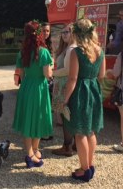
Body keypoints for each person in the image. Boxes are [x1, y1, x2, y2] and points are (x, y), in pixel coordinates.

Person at [62, 18, 105, 182]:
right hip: (94, 90)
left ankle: (84, 169)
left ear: (77, 34)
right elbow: (102, 75)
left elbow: (72, 79)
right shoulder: (100, 50)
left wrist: (65, 100)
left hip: (80, 92)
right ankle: (90, 164)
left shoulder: (76, 52)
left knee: (80, 133)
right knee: (91, 130)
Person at [12, 20, 53, 168]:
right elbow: (47, 75)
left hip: (26, 87)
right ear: (40, 33)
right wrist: (52, 67)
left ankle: (32, 152)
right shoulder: (44, 52)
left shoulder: (22, 52)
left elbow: (21, 75)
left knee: (28, 119)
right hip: (39, 88)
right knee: (39, 118)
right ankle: (31, 153)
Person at [51, 23, 77, 157]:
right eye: (63, 32)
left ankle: (67, 146)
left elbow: (67, 70)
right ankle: (73, 144)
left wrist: (52, 73)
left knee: (66, 116)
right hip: (61, 85)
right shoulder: (66, 48)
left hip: (64, 85)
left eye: (67, 32)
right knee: (66, 115)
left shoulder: (72, 49)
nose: (64, 34)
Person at [41, 21, 54, 141]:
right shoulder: (38, 46)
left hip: (48, 79)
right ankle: (42, 131)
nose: (46, 33)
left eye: (48, 31)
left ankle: (45, 130)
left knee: (47, 106)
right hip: (41, 79)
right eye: (44, 30)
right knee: (43, 106)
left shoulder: (49, 44)